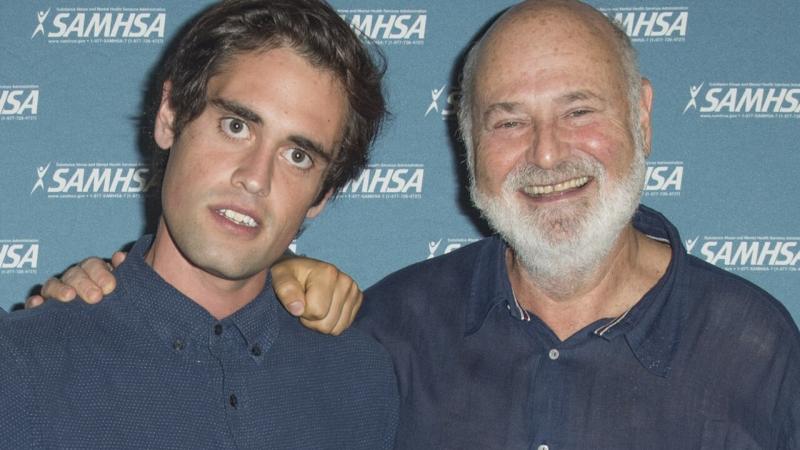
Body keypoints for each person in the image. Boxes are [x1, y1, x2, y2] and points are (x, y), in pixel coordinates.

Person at [31, 0, 800, 448]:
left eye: (580, 111)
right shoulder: (387, 333)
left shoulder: (759, 347)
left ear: (642, 117)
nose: (546, 153)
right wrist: (86, 314)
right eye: (508, 121)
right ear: (468, 145)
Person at [0, 1, 398, 448]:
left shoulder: (362, 382)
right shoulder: (24, 364)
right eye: (235, 126)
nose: (255, 177)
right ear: (169, 117)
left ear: (322, 195)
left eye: (297, 155)